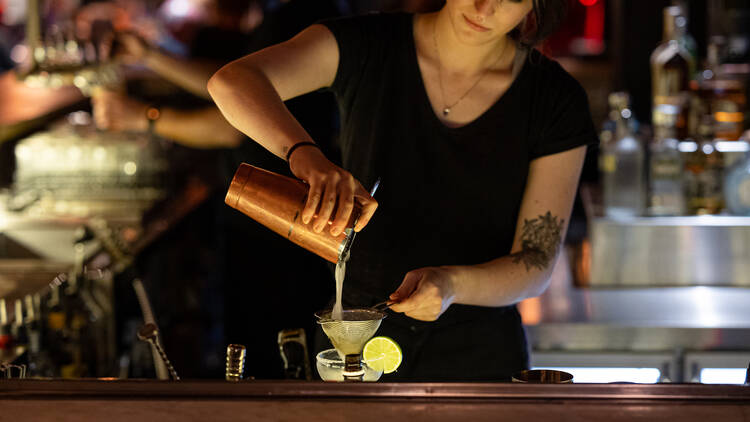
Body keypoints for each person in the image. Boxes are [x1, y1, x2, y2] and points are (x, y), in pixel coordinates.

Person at [207, 0, 597, 381]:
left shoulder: (553, 99)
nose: (483, 8)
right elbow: (231, 82)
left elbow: (536, 262)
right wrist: (306, 156)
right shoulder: (368, 44)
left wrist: (450, 285)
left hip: (478, 353)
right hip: (353, 343)